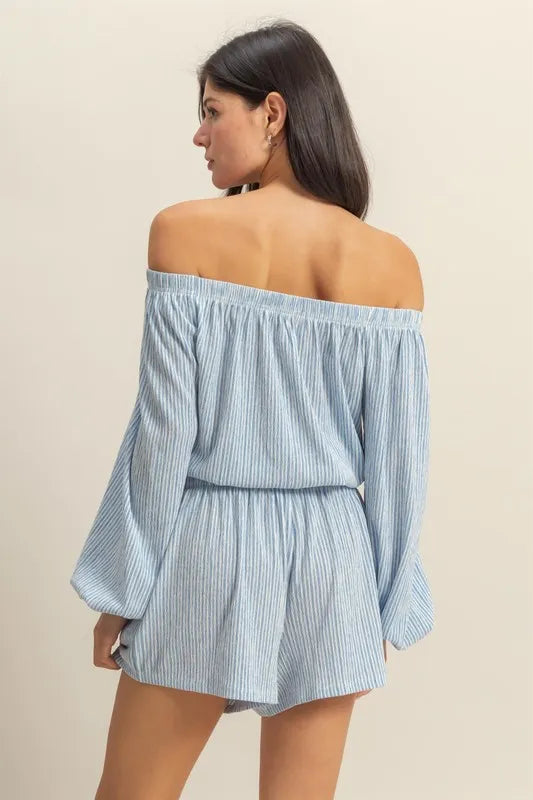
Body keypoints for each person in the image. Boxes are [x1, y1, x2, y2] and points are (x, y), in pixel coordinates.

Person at [70, 19, 433, 800]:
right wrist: (384, 600)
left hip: (206, 544)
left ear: (272, 111)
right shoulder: (391, 264)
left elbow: (162, 436)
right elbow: (400, 462)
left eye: (211, 111)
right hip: (335, 558)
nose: (198, 135)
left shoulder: (183, 233)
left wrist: (120, 593)